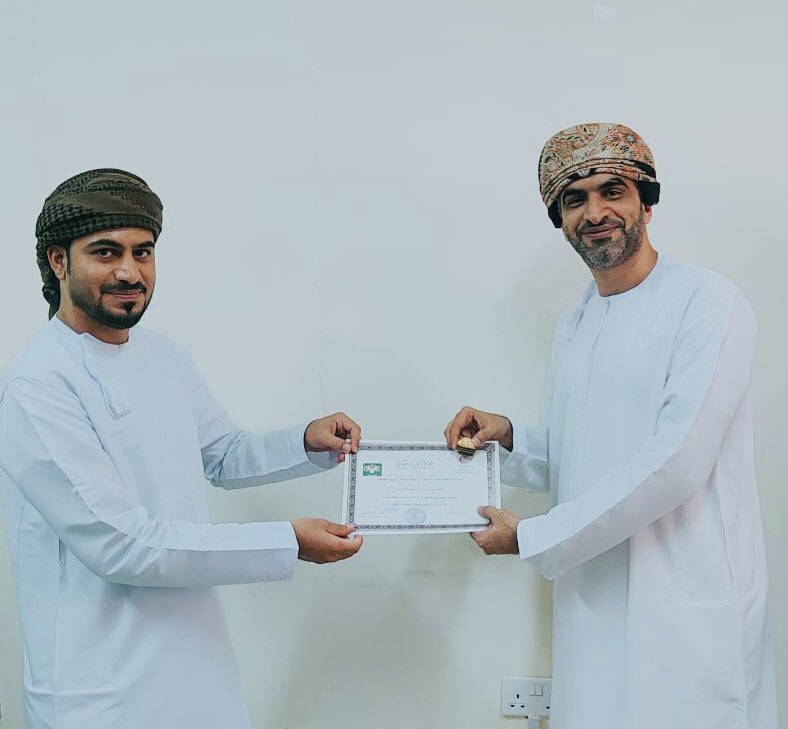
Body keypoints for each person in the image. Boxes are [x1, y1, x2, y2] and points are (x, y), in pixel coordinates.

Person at [0, 169, 363, 729]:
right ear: (58, 262)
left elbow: (224, 453)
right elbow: (121, 544)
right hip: (98, 691)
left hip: (196, 666)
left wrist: (305, 441)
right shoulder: (37, 387)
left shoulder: (163, 356)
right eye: (105, 252)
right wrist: (287, 541)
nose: (129, 271)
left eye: (142, 252)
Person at [444, 123, 777, 728]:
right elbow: (579, 453)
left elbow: (678, 462)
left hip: (681, 600)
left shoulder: (707, 302)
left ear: (647, 203)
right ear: (561, 221)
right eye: (574, 200)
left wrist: (533, 536)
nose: (594, 212)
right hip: (592, 599)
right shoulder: (576, 321)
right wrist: (509, 436)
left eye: (612, 191)